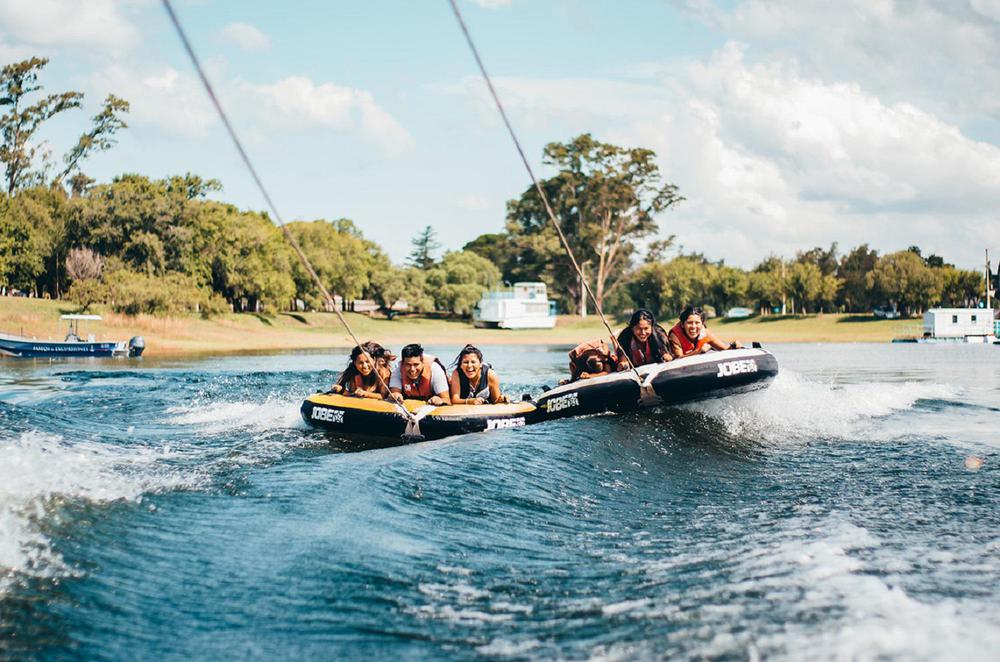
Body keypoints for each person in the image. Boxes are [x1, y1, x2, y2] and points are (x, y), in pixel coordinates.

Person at [668, 305, 742, 358]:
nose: (693, 327)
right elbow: (678, 360)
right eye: (689, 323)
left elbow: (726, 350)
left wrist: (734, 346)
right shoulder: (675, 336)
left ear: (702, 324)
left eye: (697, 323)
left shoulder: (705, 333)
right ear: (682, 324)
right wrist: (698, 352)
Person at [329, 342, 394, 399]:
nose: (364, 366)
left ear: (374, 360)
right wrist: (341, 390)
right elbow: (353, 395)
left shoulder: (383, 372)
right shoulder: (354, 373)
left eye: (367, 361)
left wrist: (365, 394)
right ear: (355, 363)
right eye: (360, 363)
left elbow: (384, 396)